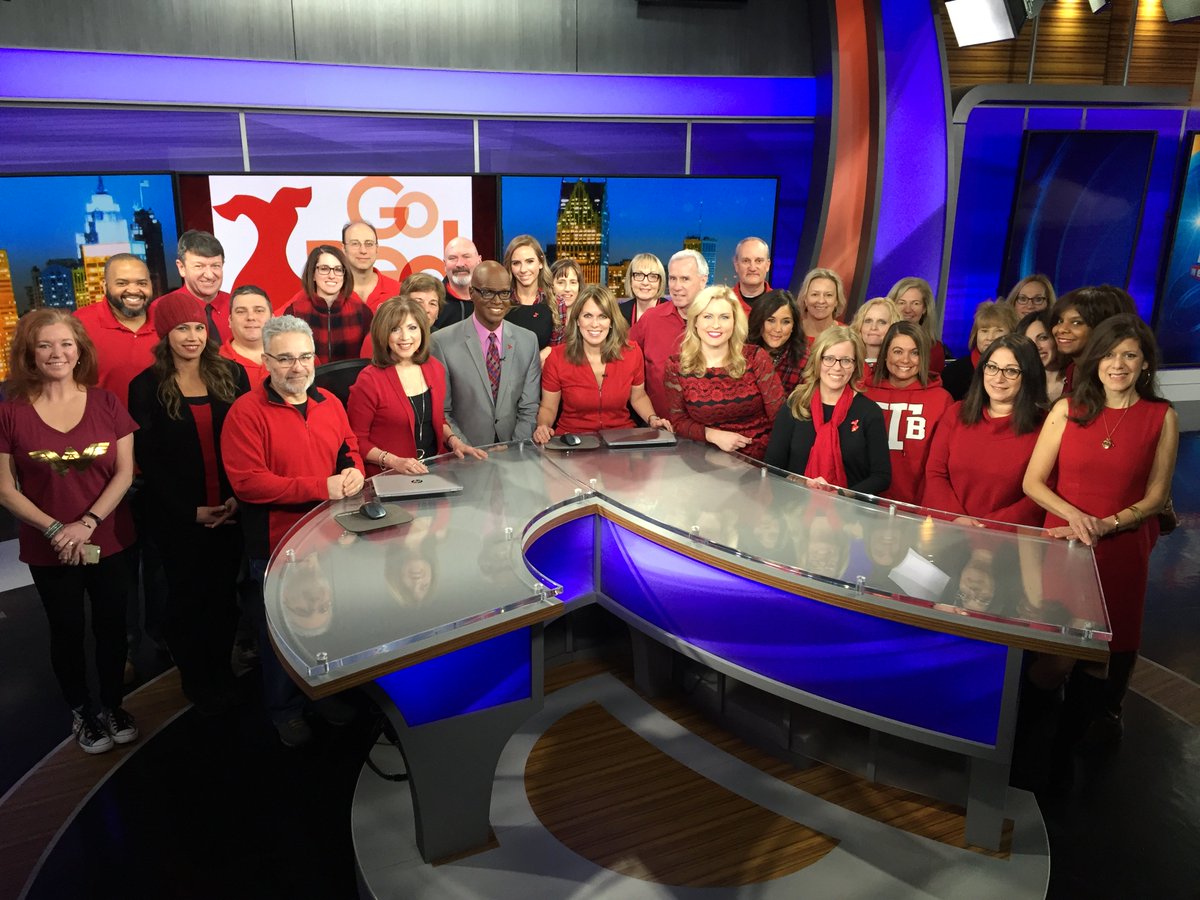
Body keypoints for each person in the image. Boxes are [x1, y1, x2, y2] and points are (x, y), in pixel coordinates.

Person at [1022, 314, 1178, 760]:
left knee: (1099, 660)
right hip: (1066, 543)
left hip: (1122, 549)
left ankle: (1064, 757)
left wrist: (1107, 524)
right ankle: (1022, 744)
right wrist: (1077, 518)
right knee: (1058, 655)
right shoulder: (1067, 409)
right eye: (1109, 355)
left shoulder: (1161, 416)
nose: (1118, 364)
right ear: (1095, 360)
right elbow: (1033, 482)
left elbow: (1156, 497)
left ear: (1145, 363)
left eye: (1129, 355)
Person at [221, 315, 365, 747]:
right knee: (282, 634)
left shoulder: (329, 402)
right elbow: (248, 483)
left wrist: (354, 471)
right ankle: (284, 709)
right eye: (285, 359)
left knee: (329, 622)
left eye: (305, 357)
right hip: (277, 544)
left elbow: (348, 447)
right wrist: (321, 487)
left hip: (330, 535)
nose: (297, 367)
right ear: (266, 361)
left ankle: (323, 694)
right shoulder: (245, 413)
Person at [0, 310, 139, 754]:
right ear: (30, 354)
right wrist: (59, 529)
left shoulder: (106, 403)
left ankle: (114, 705)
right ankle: (82, 711)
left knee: (112, 627)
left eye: (65, 344)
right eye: (44, 345)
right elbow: (5, 489)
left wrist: (88, 523)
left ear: (80, 351)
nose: (56, 353)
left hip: (108, 538)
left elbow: (124, 472)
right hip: (50, 546)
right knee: (66, 629)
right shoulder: (10, 412)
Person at [128, 293, 249, 714]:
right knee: (186, 599)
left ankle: (222, 670)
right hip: (179, 517)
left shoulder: (232, 374)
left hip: (231, 508)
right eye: (182, 328)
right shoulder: (145, 386)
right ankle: (196, 677)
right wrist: (188, 511)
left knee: (223, 597)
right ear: (166, 334)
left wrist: (236, 497)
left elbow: (246, 440)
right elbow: (149, 460)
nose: (193, 336)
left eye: (198, 327)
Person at [348, 296, 485, 477]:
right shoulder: (369, 380)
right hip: (390, 477)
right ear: (383, 333)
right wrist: (394, 461)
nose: (405, 337)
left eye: (412, 328)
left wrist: (455, 442)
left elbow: (437, 420)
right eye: (395, 329)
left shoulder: (435, 368)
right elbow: (356, 440)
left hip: (433, 472)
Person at [922, 334, 1047, 526]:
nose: (998, 378)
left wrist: (986, 528)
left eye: (1011, 371)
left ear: (1029, 375)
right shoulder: (956, 413)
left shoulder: (1045, 425)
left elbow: (1041, 493)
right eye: (992, 367)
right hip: (948, 529)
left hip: (1007, 536)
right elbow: (935, 473)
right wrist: (957, 519)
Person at [533, 285, 669, 441]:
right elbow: (548, 407)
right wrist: (543, 426)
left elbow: (638, 396)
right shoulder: (557, 357)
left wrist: (652, 418)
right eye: (588, 316)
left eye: (602, 316)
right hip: (573, 439)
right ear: (577, 320)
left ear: (611, 321)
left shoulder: (632, 352)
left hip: (621, 437)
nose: (595, 324)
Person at [664, 286, 786, 460]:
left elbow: (779, 415)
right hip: (705, 457)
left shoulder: (755, 357)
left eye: (724, 317)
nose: (716, 325)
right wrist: (712, 435)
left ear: (735, 322)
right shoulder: (676, 366)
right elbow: (679, 421)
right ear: (695, 321)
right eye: (707, 316)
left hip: (759, 458)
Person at [764, 325, 889, 493]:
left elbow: (881, 477)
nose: (837, 368)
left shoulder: (869, 412)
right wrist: (803, 483)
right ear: (817, 361)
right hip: (794, 503)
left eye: (846, 360)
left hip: (847, 507)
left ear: (855, 365)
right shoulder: (795, 404)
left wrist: (840, 494)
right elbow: (772, 466)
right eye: (829, 358)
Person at [430, 261, 541, 447]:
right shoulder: (442, 343)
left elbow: (529, 408)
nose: (497, 301)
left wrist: (514, 450)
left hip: (515, 452)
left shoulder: (528, 341)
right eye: (488, 292)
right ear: (471, 293)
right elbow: (443, 412)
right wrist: (469, 451)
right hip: (464, 454)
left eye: (504, 293)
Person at [863, 322, 953, 505]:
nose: (905, 360)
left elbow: (941, 466)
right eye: (897, 351)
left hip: (915, 508)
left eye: (914, 353)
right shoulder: (864, 393)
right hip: (862, 503)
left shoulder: (941, 400)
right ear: (885, 354)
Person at [629, 249, 708, 423]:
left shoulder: (717, 323)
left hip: (708, 429)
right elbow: (620, 356)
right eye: (673, 278)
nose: (677, 286)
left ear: (703, 281)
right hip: (659, 427)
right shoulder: (651, 319)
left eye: (685, 279)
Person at [74, 254, 158, 409]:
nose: (133, 290)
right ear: (105, 286)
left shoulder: (166, 320)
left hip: (162, 422)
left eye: (142, 283)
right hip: (103, 421)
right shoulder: (79, 324)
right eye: (122, 283)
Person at [283, 244, 373, 363]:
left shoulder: (362, 312)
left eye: (338, 269)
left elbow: (373, 358)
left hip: (354, 376)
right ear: (313, 274)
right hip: (310, 375)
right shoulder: (295, 313)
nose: (332, 276)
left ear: (344, 275)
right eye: (324, 269)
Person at [1050, 286, 1129, 394]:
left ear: (1101, 328)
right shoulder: (1072, 370)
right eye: (1060, 321)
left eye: (1076, 323)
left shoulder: (1111, 375)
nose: (1061, 329)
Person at [159, 230, 233, 343]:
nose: (209, 275)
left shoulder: (237, 306)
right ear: (181, 268)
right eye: (199, 266)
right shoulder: (162, 309)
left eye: (215, 266)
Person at [940, 300, 1018, 401]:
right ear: (975, 335)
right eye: (984, 331)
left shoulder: (1020, 370)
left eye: (998, 331)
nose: (990, 337)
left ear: (1012, 334)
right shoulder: (953, 373)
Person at [502, 234, 558, 353]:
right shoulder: (501, 300)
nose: (523, 269)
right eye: (516, 263)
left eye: (529, 261)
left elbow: (558, 350)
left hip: (543, 364)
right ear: (510, 266)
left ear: (541, 263)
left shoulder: (555, 302)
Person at [746, 289, 806, 395]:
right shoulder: (743, 352)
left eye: (786, 322)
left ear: (794, 326)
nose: (778, 329)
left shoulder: (804, 361)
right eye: (771, 320)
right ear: (759, 321)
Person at [886, 276, 948, 376]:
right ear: (891, 306)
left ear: (925, 308)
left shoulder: (934, 349)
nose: (907, 310)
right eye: (901, 303)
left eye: (915, 303)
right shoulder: (878, 341)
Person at [342, 221, 401, 314]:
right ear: (344, 248)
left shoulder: (398, 291)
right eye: (355, 244)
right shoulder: (332, 290)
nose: (363, 250)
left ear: (377, 248)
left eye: (369, 244)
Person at [219, 285, 273, 387]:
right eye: (241, 311)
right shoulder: (213, 363)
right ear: (230, 321)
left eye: (259, 310)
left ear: (272, 319)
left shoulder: (295, 359)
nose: (250, 317)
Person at [1018, 309, 1066, 403]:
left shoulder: (1075, 379)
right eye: (1029, 341)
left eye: (1043, 338)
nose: (1036, 346)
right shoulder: (1020, 383)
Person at [436, 236, 482, 329]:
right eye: (452, 258)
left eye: (466, 256)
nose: (460, 264)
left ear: (479, 261)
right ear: (445, 264)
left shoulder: (492, 299)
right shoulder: (433, 301)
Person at [850, 296, 900, 380]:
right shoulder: (847, 361)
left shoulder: (899, 366)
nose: (873, 327)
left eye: (882, 322)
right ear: (860, 325)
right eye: (868, 321)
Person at [798, 267, 847, 344]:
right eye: (815, 294)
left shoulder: (847, 336)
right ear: (805, 299)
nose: (821, 301)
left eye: (828, 295)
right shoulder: (790, 332)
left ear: (837, 301)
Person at [617, 252, 668, 326]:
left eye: (652, 276)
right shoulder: (619, 313)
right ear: (630, 280)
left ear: (660, 282)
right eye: (639, 275)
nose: (645, 282)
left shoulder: (672, 313)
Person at [549, 258, 583, 346]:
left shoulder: (587, 316)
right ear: (551, 286)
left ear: (579, 286)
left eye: (573, 282)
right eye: (561, 282)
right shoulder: (544, 316)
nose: (567, 289)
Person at [732, 237, 772, 310]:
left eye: (758, 261)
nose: (752, 268)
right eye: (746, 261)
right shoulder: (723, 303)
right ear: (736, 265)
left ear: (767, 265)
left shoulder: (781, 305)